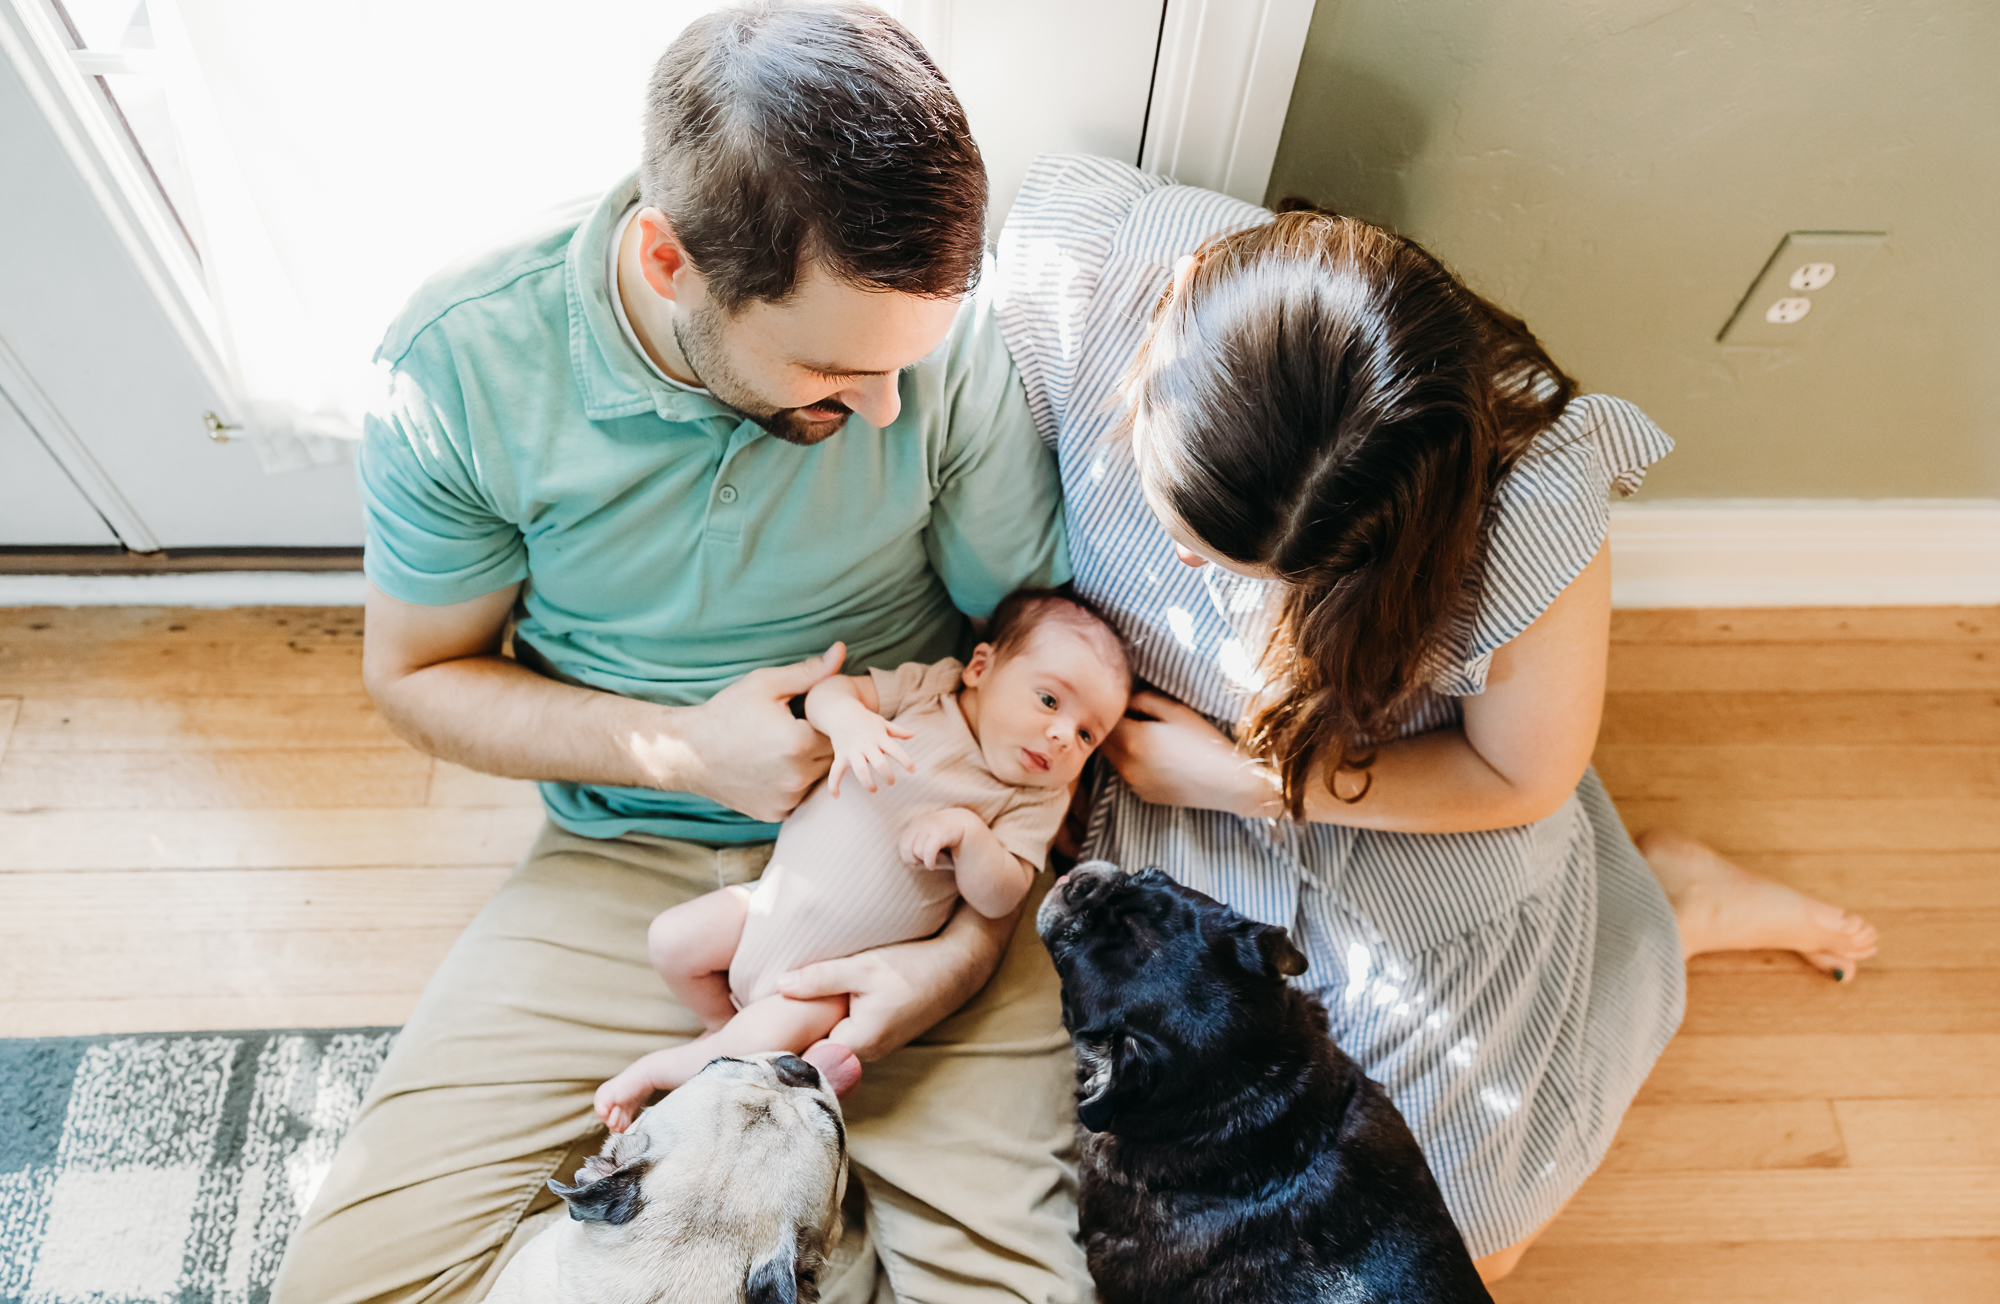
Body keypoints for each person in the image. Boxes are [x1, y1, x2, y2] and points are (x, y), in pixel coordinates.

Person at [273, 7, 1097, 1302]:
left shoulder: (940, 361)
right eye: (835, 375)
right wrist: (679, 749)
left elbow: (1036, 659)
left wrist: (951, 956)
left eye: (906, 368)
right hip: (634, 865)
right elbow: (415, 676)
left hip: (922, 868)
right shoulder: (464, 367)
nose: (889, 410)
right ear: (668, 261)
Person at [992, 154, 1879, 1284]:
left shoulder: (1525, 502)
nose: (1178, 563)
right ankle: (1662, 915)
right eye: (1188, 526)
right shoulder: (1079, 270)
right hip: (1178, 823)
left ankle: (1662, 918)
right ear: (1167, 325)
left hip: (1391, 810)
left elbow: (1515, 777)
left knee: (1479, 1240)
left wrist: (1243, 779)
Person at [596, 590, 1132, 1131]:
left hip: (828, 979)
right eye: (1048, 700)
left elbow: (1004, 895)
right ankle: (718, 1021)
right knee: (672, 939)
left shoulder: (1035, 797)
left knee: (758, 1043)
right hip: (762, 908)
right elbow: (830, 692)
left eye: (1089, 734)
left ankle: (658, 1072)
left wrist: (970, 837)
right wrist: (849, 721)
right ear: (979, 667)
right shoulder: (932, 689)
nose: (1064, 735)